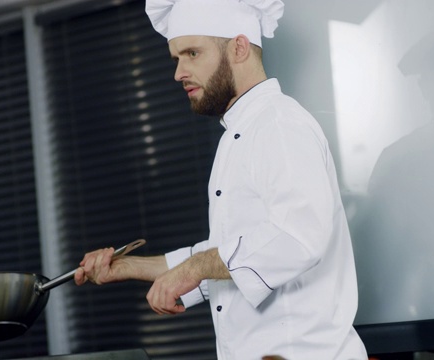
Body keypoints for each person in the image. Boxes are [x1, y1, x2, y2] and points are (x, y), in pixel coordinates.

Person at [74, 0, 368, 359]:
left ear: (239, 47)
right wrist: (128, 268)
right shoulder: (241, 131)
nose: (179, 72)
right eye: (176, 58)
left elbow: (297, 238)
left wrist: (194, 270)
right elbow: (234, 254)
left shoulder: (278, 125)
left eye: (192, 53)